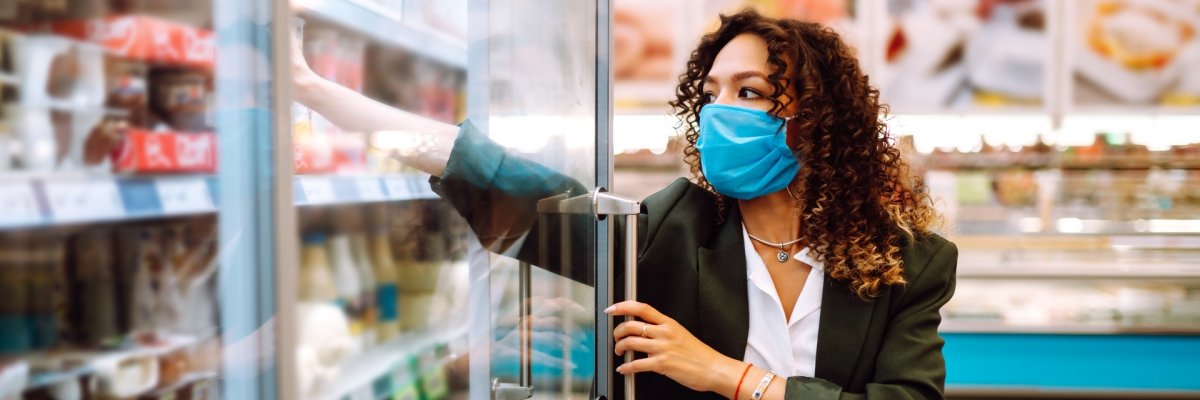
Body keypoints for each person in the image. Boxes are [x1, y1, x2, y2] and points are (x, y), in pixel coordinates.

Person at [293, 9, 956, 400]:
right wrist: (312, 90)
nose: (723, 110)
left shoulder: (912, 262)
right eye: (714, 93)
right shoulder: (674, 225)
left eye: (750, 92)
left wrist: (728, 376)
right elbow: (491, 175)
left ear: (819, 117)